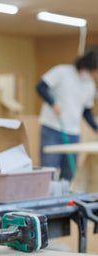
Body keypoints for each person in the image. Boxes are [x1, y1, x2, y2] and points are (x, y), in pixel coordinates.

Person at [36, 51, 98, 181]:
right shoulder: (62, 72)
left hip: (73, 132)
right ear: (89, 66)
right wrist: (53, 103)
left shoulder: (90, 85)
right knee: (48, 171)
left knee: (69, 173)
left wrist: (95, 127)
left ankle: (67, 201)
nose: (96, 75)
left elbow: (86, 111)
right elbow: (40, 87)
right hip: (52, 128)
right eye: (95, 71)